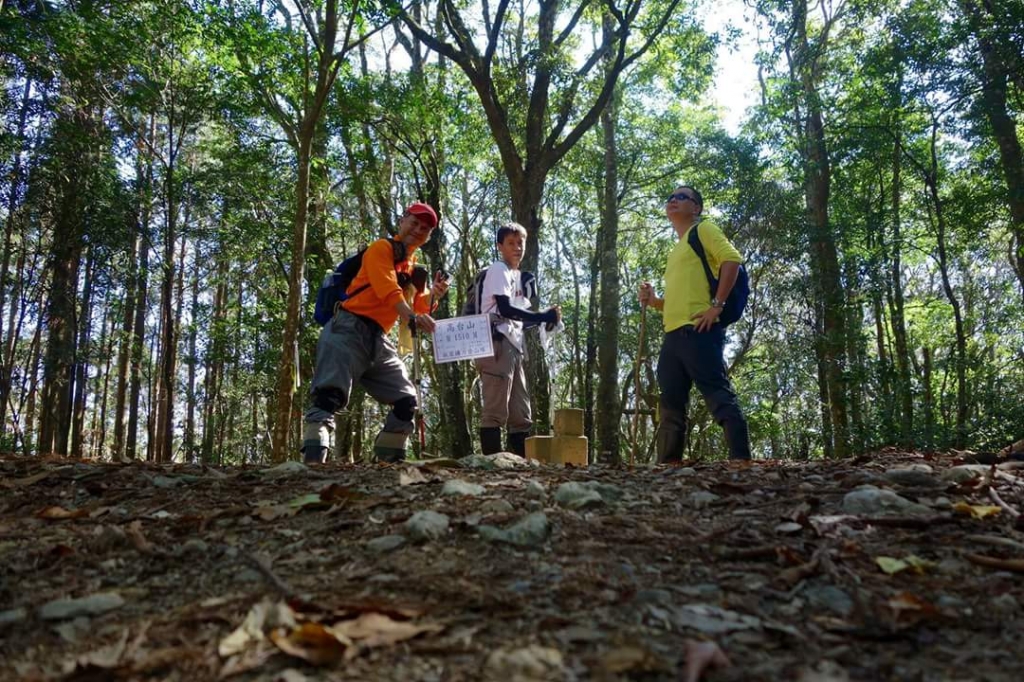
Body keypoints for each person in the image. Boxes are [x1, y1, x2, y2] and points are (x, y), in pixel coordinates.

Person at [302, 201, 449, 464]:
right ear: (402, 221)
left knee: (407, 401)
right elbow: (388, 290)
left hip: (379, 339)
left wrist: (433, 297)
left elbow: (418, 306)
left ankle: (387, 466)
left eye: (424, 228)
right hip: (347, 327)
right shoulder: (380, 248)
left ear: (428, 237)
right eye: (414, 222)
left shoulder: (413, 268)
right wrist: (414, 316)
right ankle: (313, 467)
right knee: (329, 396)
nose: (418, 229)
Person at [639, 186, 751, 462]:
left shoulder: (704, 230)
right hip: (673, 336)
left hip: (699, 332)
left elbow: (732, 260)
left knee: (717, 395)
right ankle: (669, 469)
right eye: (670, 198)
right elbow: (682, 298)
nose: (673, 201)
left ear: (696, 208)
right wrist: (654, 301)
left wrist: (718, 306)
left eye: (681, 197)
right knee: (670, 406)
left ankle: (742, 462)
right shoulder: (678, 248)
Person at [475, 222, 560, 456]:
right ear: (500, 246)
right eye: (511, 243)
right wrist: (542, 315)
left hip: (513, 344)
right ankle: (492, 466)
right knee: (494, 411)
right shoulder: (498, 270)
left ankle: (519, 468)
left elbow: (519, 319)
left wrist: (545, 319)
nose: (517, 248)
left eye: (520, 243)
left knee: (520, 413)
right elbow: (504, 309)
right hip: (496, 344)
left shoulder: (517, 276)